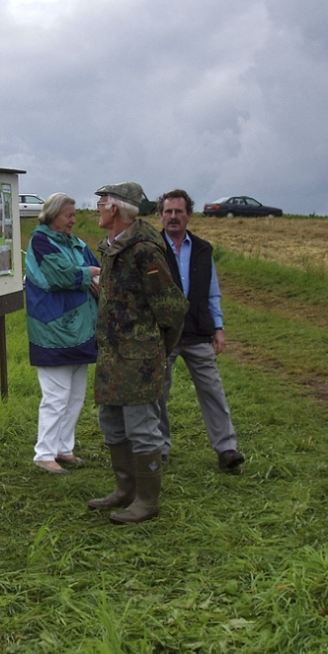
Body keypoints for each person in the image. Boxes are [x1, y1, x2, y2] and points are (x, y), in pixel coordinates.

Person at [88, 183, 188, 524]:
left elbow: (172, 310)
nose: (98, 207)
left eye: (102, 202)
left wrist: (157, 351)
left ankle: (147, 501)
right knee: (112, 424)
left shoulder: (145, 250)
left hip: (138, 360)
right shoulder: (114, 248)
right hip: (113, 356)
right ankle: (125, 490)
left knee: (143, 429)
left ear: (115, 209)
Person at [156, 189, 245, 471]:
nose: (173, 217)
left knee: (213, 390)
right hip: (164, 334)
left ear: (189, 215)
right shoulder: (152, 248)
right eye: (168, 212)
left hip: (198, 332)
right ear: (160, 216)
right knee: (158, 393)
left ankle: (227, 449)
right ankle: (159, 449)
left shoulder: (203, 249)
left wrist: (218, 327)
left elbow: (212, 292)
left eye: (178, 212)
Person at [25, 193, 101, 474]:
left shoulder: (76, 243)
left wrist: (91, 274)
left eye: (73, 215)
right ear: (53, 214)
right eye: (69, 214)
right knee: (56, 397)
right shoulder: (40, 242)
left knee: (75, 396)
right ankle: (44, 453)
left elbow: (96, 271)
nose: (73, 219)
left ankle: (63, 448)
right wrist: (88, 274)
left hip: (81, 330)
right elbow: (60, 275)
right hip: (52, 330)